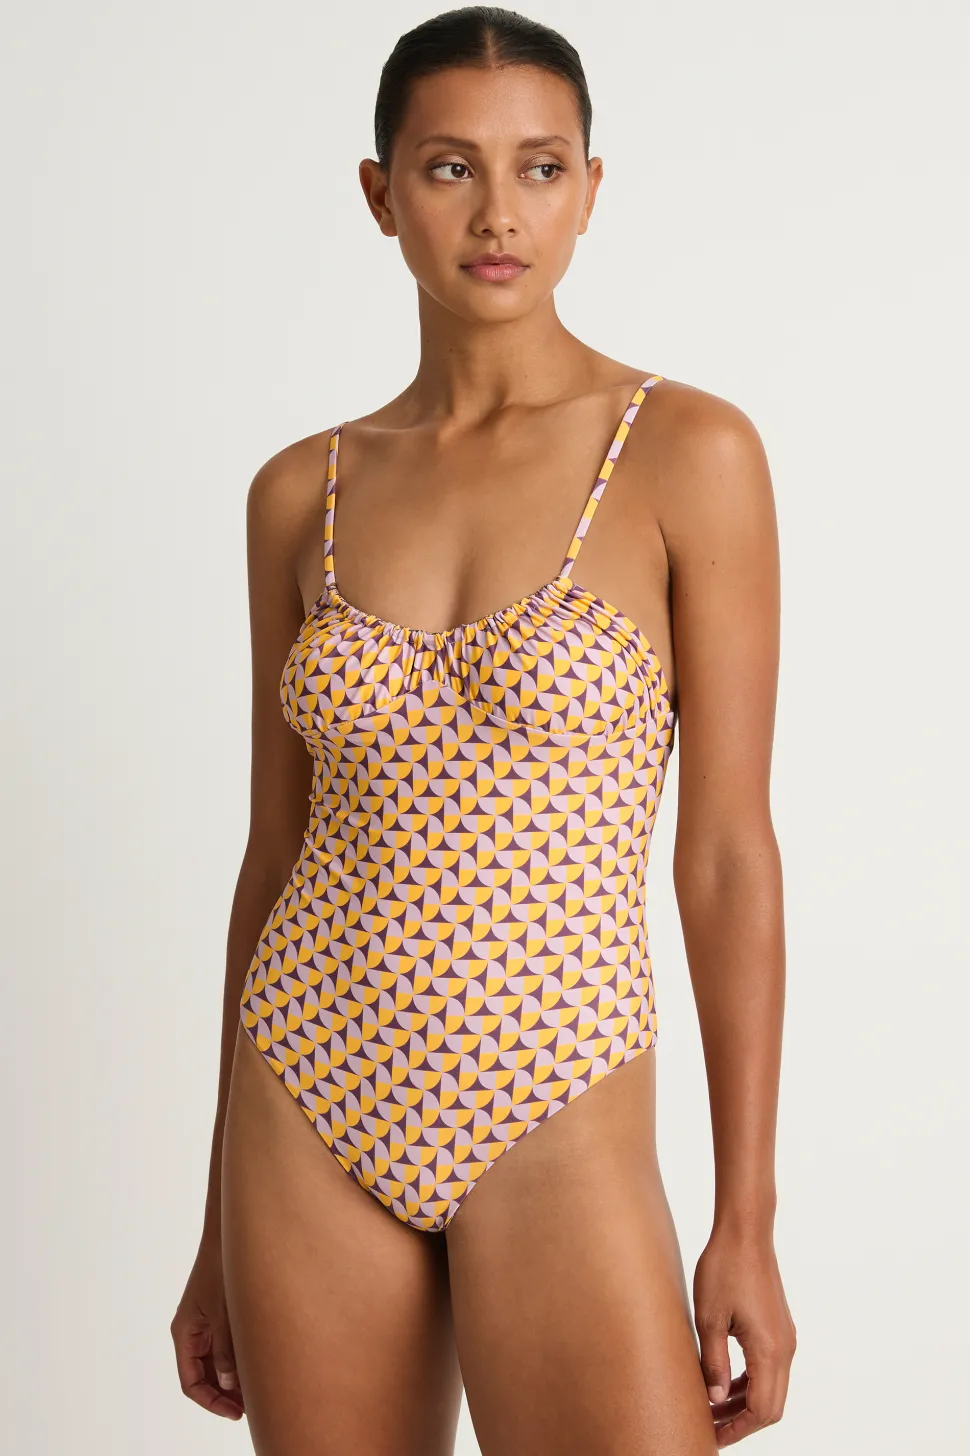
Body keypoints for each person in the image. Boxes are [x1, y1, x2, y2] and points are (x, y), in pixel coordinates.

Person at [170, 6, 796, 1452]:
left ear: (590, 189)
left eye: (540, 167)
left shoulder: (687, 451)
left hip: (557, 1088)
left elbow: (725, 857)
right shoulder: (301, 490)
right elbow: (272, 853)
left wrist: (746, 1220)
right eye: (450, 167)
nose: (499, 212)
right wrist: (213, 1224)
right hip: (304, 1081)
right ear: (381, 192)